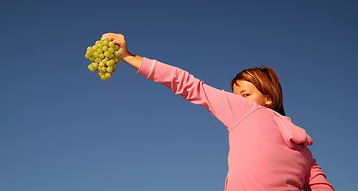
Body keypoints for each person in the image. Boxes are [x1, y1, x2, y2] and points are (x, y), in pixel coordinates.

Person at [101, 33, 334, 191]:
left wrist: (129, 57)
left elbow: (186, 84)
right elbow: (319, 184)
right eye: (234, 95)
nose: (236, 100)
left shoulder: (244, 111)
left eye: (246, 94)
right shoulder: (304, 149)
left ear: (269, 99)